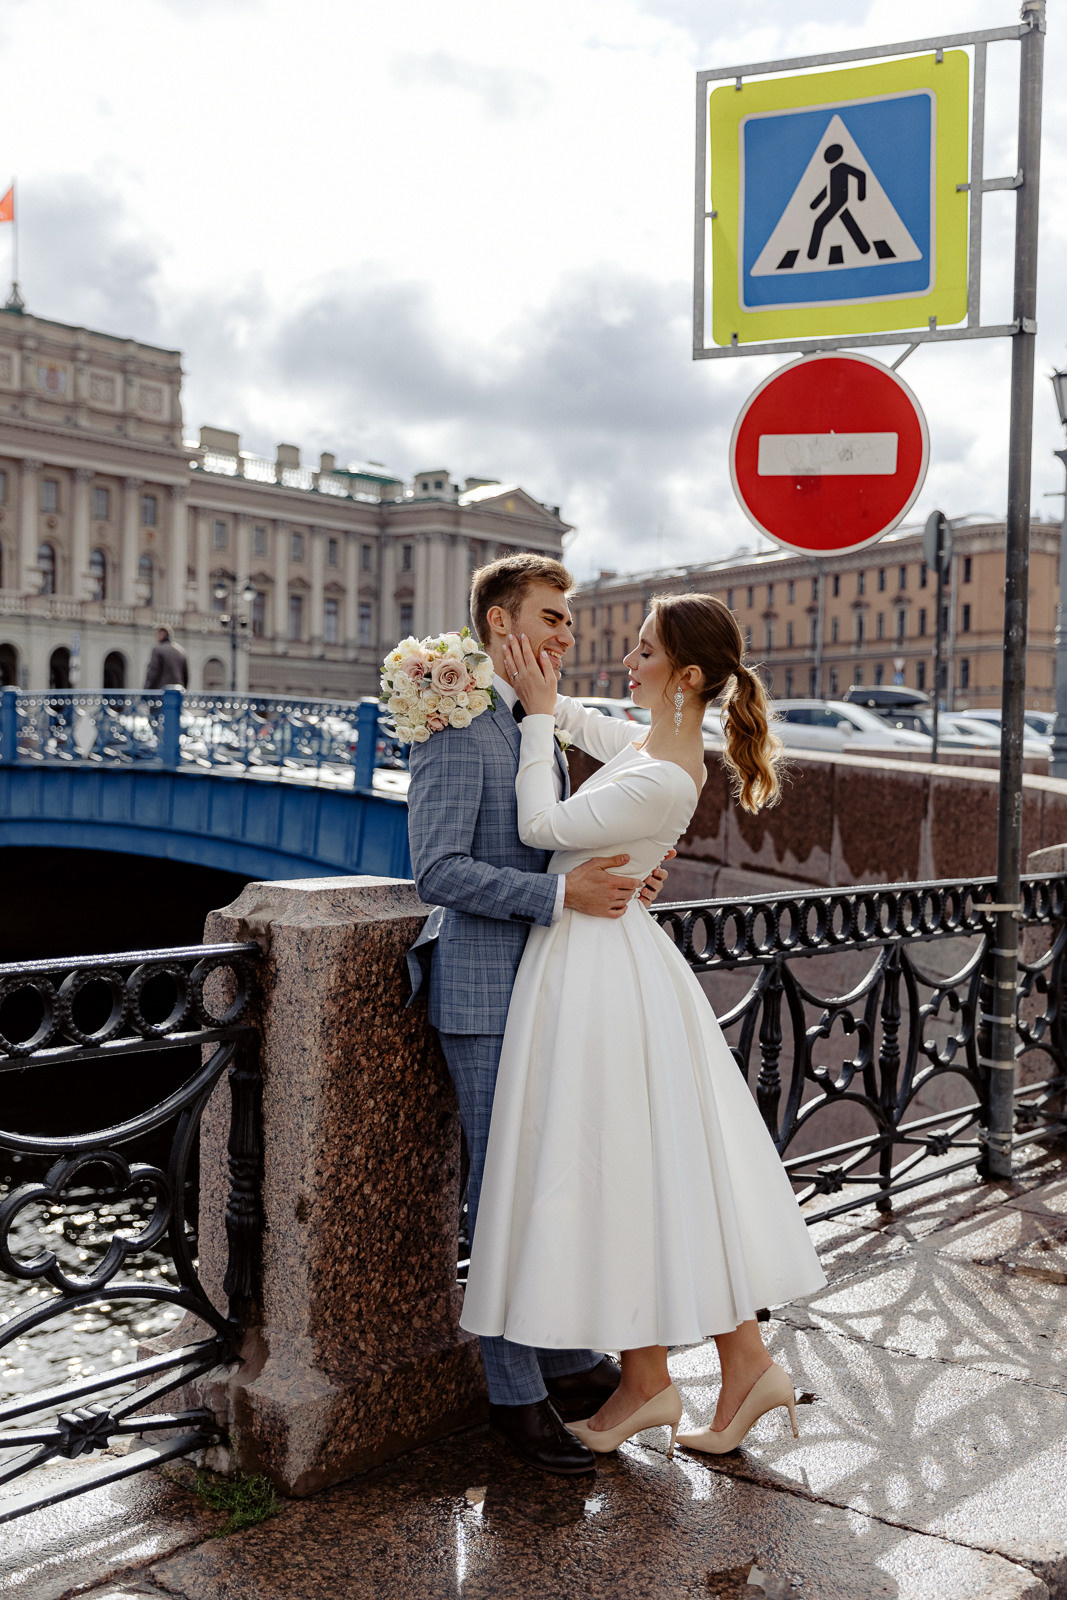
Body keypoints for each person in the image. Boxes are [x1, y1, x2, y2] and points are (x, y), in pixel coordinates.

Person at [460, 593, 827, 1461]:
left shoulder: (663, 770)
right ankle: (730, 1371)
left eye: (643, 651)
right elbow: (589, 727)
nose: (627, 660)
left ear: (686, 676)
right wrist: (539, 693)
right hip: (608, 963)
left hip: (596, 972)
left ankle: (653, 1381)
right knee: (648, 1167)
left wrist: (532, 724)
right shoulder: (653, 746)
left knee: (615, 1166)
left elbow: (538, 826)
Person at [405, 554, 673, 1477]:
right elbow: (434, 871)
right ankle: (514, 1397)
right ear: (497, 626)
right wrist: (561, 901)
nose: (568, 635)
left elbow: (550, 843)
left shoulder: (535, 722)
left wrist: (617, 875)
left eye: (569, 621)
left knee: (554, 1183)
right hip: (483, 993)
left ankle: (561, 1358)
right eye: (551, 618)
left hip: (549, 986)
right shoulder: (451, 720)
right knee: (506, 1194)